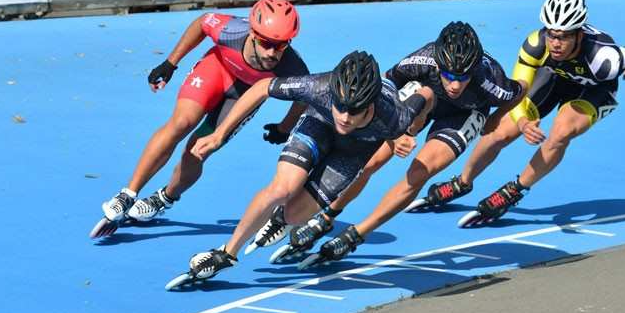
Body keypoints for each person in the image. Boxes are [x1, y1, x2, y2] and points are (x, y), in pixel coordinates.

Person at [166, 51, 435, 287]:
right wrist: (220, 134)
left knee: (295, 215)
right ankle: (227, 253)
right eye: (340, 106)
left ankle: (281, 220)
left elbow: (427, 93)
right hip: (317, 125)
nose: (344, 116)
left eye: (354, 111)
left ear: (371, 104)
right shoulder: (319, 87)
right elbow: (262, 87)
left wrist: (412, 129)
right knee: (282, 189)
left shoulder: (395, 116)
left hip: (353, 153)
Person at [283, 21, 525, 269]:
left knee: (420, 172)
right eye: (449, 75)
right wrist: (395, 134)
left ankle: (357, 234)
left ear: (473, 71)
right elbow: (383, 89)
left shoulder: (492, 81)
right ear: (438, 63)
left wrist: (494, 118)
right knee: (370, 160)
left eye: (462, 77)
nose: (454, 84)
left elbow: (521, 90)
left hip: (464, 114)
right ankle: (326, 216)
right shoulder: (423, 59)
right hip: (421, 101)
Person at [414, 0, 625, 228]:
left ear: (579, 35)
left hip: (594, 90)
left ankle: (516, 189)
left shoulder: (605, 59)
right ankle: (463, 182)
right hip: (554, 79)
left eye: (564, 37)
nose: (556, 43)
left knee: (561, 132)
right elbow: (517, 93)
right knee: (501, 131)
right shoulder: (536, 44)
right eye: (552, 34)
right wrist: (523, 122)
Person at [90, 0, 309, 239]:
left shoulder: (293, 67)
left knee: (198, 149)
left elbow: (302, 97)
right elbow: (202, 23)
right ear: (253, 33)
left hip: (245, 96)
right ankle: (127, 194)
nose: (272, 52)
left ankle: (165, 197)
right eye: (266, 43)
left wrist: (284, 127)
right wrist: (170, 63)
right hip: (217, 69)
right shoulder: (230, 30)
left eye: (280, 45)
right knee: (181, 123)